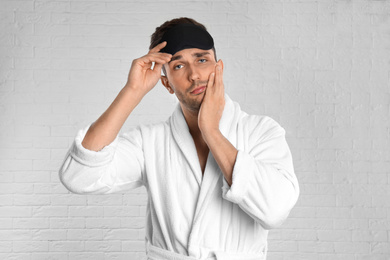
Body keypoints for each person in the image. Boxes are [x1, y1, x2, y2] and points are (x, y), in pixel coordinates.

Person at [59, 17, 300, 260]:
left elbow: (276, 210)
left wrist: (212, 132)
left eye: (202, 59)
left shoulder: (261, 132)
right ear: (166, 83)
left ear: (219, 67)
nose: (195, 75)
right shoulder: (151, 143)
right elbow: (79, 177)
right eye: (178, 66)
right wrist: (133, 91)